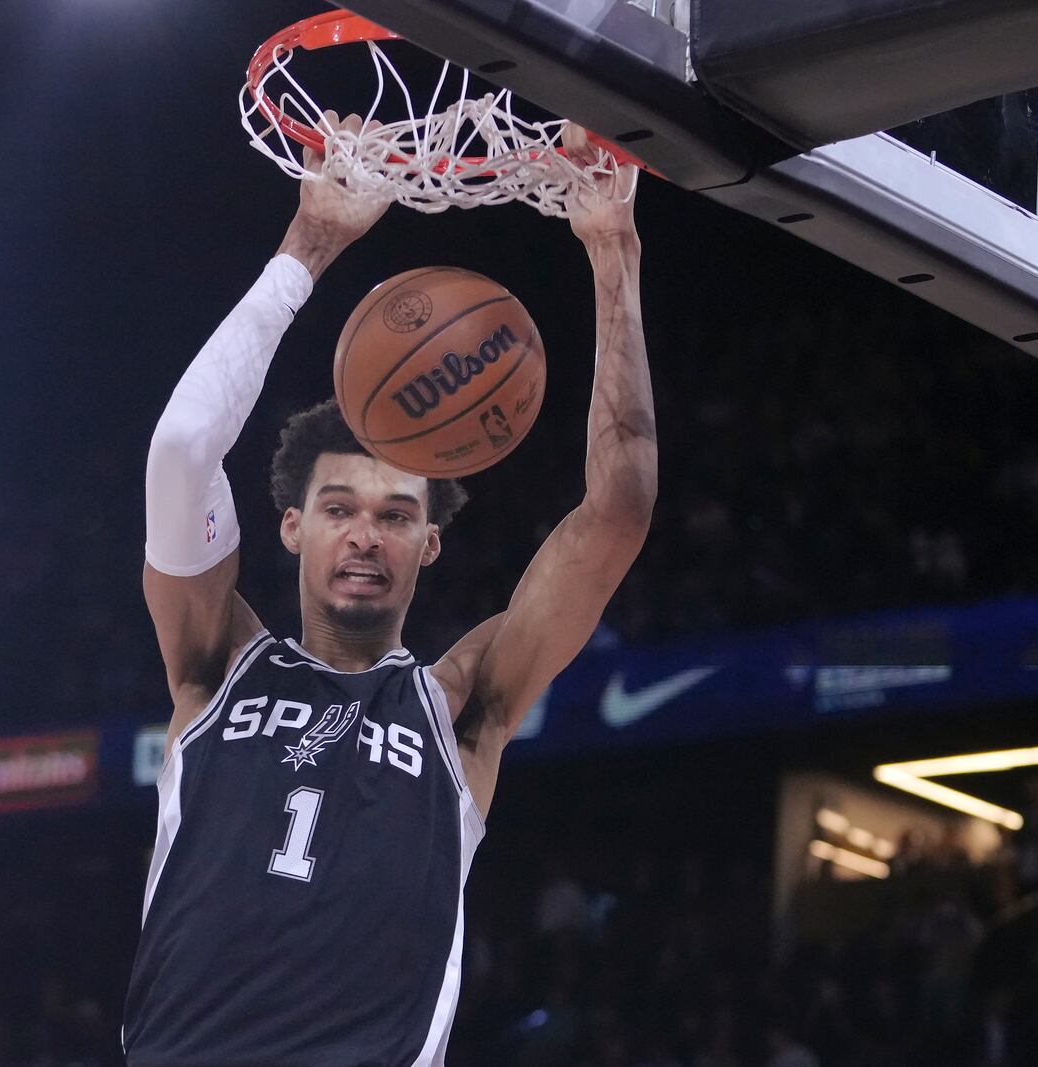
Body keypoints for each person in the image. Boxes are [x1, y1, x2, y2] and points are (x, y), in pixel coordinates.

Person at [123, 114, 658, 1066]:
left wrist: (613, 252)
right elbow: (180, 450)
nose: (366, 533)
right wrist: (308, 246)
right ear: (291, 527)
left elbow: (616, 509)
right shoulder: (215, 668)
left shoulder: (461, 708)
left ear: (430, 544)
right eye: (339, 507)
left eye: (396, 514)